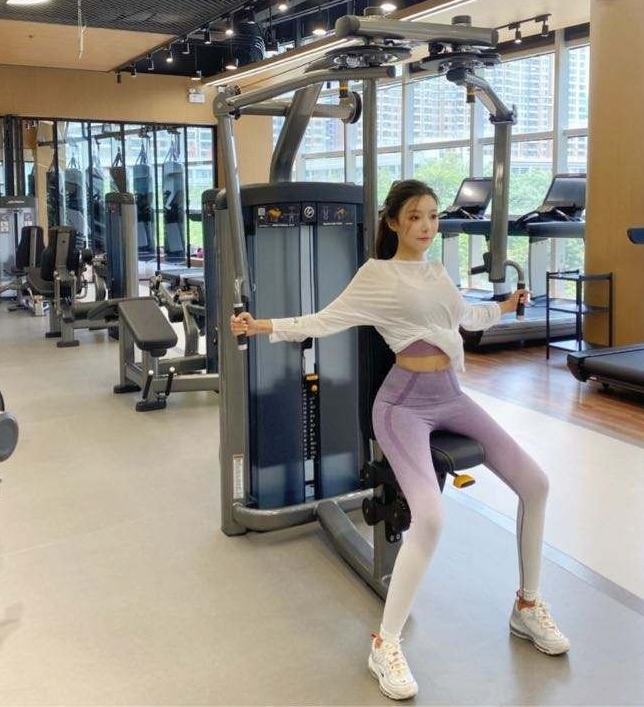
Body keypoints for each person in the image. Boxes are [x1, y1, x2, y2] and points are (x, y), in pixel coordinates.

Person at [229, 179, 569, 701]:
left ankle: (527, 605)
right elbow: (325, 320)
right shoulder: (377, 275)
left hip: (450, 395)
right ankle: (384, 644)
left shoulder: (437, 271)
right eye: (415, 217)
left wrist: (505, 306)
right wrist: (261, 326)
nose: (427, 226)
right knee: (430, 519)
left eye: (432, 216)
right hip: (402, 405)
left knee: (537, 483)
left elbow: (467, 317)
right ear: (393, 222)